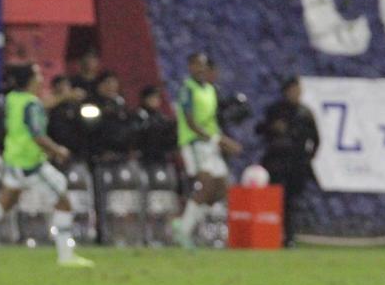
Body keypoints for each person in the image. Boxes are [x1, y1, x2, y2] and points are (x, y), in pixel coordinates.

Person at [0, 64, 94, 267]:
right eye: (38, 75)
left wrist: (64, 97)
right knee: (64, 203)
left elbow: (39, 106)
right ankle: (66, 256)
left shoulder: (14, 98)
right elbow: (37, 134)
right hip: (30, 164)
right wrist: (58, 150)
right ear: (30, 80)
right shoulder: (32, 104)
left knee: (5, 202)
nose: (41, 78)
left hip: (13, 160)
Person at [172, 52, 242, 248]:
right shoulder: (187, 89)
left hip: (210, 143)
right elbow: (190, 122)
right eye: (196, 64)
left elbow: (211, 121)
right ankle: (184, 231)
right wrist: (217, 139)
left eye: (203, 65)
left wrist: (221, 140)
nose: (200, 68)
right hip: (194, 143)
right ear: (190, 67)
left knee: (220, 189)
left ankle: (185, 225)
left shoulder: (210, 90)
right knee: (206, 184)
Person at [256, 76, 320, 246]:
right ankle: (268, 234)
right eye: (293, 90)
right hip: (276, 162)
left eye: (298, 90)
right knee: (273, 199)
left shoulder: (305, 113)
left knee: (291, 202)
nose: (296, 94)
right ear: (286, 92)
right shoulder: (275, 111)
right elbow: (260, 130)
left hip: (296, 164)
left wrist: (307, 158)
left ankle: (289, 237)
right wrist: (272, 128)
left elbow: (315, 139)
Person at [133, 86, 177, 167]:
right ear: (144, 99)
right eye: (152, 98)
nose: (155, 100)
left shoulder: (160, 116)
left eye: (157, 98)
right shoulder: (139, 115)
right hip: (146, 158)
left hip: (162, 156)